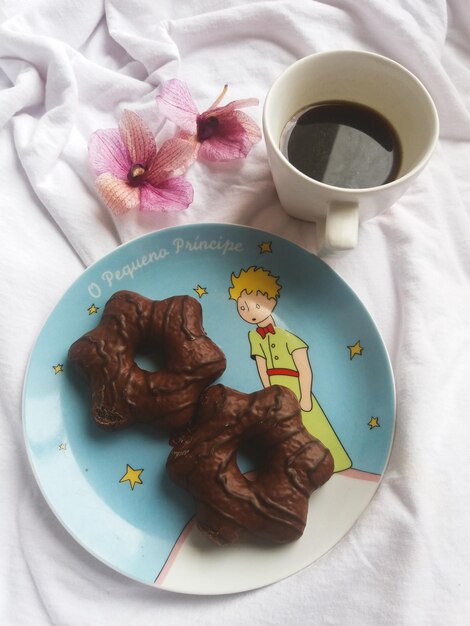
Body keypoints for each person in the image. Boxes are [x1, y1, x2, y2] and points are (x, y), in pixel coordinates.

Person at [229, 266, 351, 473]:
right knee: (283, 428)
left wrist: (305, 395)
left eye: (255, 305)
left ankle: (334, 462)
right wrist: (267, 392)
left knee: (310, 424)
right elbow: (262, 366)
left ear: (271, 302)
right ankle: (294, 466)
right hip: (276, 387)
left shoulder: (288, 336)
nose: (249, 313)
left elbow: (304, 368)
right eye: (243, 308)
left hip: (295, 383)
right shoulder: (254, 336)